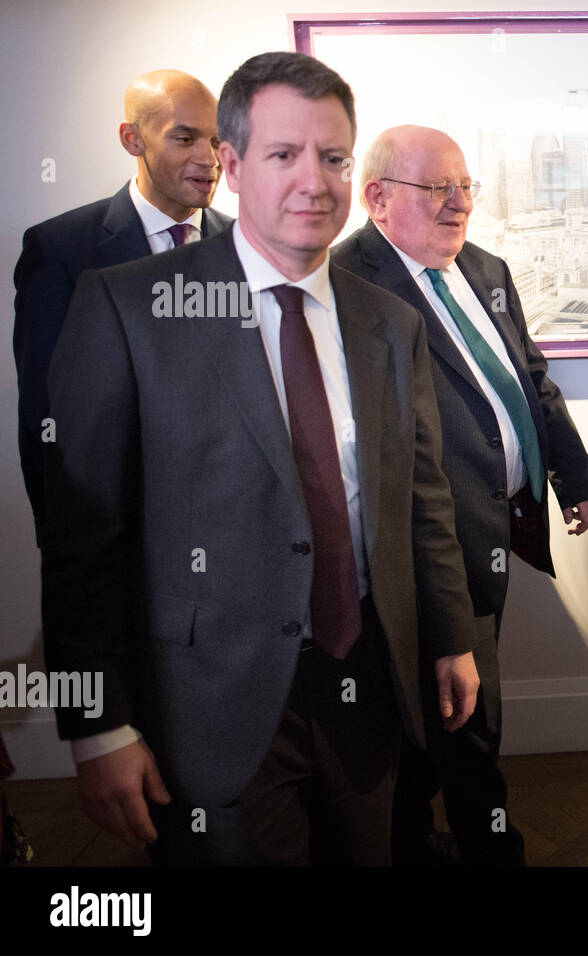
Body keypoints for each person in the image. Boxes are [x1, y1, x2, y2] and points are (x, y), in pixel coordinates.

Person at [41, 51, 481, 866]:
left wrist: (451, 637)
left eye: (334, 157)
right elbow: (82, 543)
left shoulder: (390, 324)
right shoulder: (129, 308)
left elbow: (422, 500)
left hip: (368, 689)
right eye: (284, 155)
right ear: (234, 166)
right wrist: (98, 723)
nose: (314, 181)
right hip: (210, 707)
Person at [333, 126, 588, 866]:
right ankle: (482, 849)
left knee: (457, 702)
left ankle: (425, 838)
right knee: (457, 716)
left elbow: (531, 379)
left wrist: (568, 477)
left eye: (466, 187)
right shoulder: (342, 285)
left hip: (497, 524)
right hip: (419, 549)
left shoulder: (485, 268)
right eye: (437, 190)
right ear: (378, 198)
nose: (459, 206)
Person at [13, 69, 231, 544]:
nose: (208, 158)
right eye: (185, 138)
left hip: (231, 538)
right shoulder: (64, 249)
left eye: (217, 140)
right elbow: (45, 417)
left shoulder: (246, 247)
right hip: (119, 539)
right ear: (133, 139)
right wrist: (70, 550)